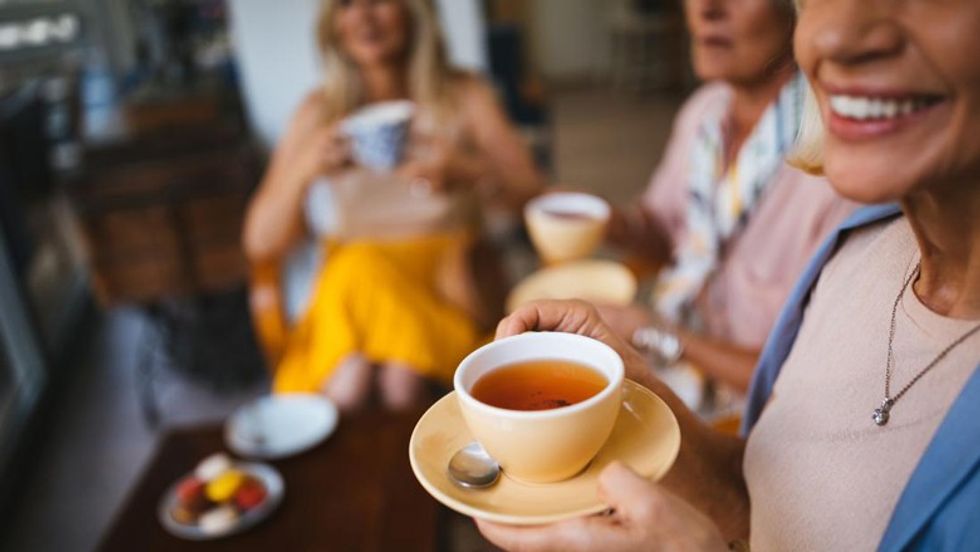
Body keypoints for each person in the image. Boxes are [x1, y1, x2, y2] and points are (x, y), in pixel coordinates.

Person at [476, 0, 980, 549]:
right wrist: (636, 386)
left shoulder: (850, 186)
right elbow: (762, 494)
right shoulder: (858, 252)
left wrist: (655, 332)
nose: (836, 35)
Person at [242, 0, 543, 411]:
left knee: (364, 379)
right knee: (383, 367)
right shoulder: (319, 112)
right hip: (351, 290)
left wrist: (469, 171)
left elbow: (536, 195)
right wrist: (303, 171)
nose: (364, 17)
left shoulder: (463, 95)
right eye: (347, 4)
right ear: (334, 23)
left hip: (445, 288)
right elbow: (259, 242)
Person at [601, 0, 854, 393]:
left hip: (748, 412)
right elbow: (664, 233)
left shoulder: (839, 166)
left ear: (801, 9)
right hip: (675, 361)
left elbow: (812, 383)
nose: (706, 8)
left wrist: (652, 332)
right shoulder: (703, 112)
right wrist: (609, 222)